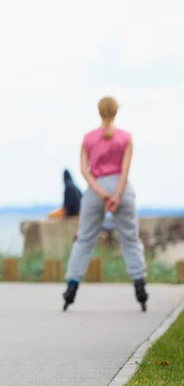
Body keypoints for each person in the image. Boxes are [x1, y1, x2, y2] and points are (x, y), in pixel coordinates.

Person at [62, 97, 148, 312]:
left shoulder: (88, 139)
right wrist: (116, 196)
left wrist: (101, 194)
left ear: (99, 112)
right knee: (130, 238)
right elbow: (125, 170)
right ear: (116, 112)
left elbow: (84, 170)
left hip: (95, 190)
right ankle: (140, 285)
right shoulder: (126, 138)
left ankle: (71, 287)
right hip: (122, 189)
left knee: (84, 239)